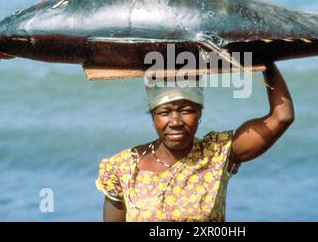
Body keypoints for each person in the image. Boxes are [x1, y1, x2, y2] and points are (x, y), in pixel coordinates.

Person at [95, 63, 294, 222]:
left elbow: (281, 117)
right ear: (153, 116)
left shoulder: (217, 153)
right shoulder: (123, 168)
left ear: (200, 113)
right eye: (164, 112)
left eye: (186, 110)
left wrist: (266, 61)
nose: (175, 122)